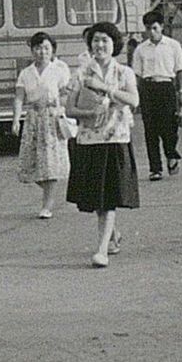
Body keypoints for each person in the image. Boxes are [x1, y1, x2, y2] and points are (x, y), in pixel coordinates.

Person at [65, 22, 140, 268]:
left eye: (105, 40)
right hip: (88, 140)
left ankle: (101, 250)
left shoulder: (124, 72)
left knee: (108, 199)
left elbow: (133, 100)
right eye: (95, 40)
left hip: (115, 139)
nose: (99, 45)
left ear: (114, 44)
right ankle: (113, 235)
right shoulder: (81, 73)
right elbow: (69, 108)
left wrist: (106, 89)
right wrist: (88, 113)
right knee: (99, 199)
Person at [11, 31, 71, 218]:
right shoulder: (26, 73)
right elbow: (19, 97)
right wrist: (15, 119)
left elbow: (67, 93)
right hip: (33, 120)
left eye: (46, 48)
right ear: (32, 50)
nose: (42, 52)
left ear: (52, 50)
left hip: (52, 119)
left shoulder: (59, 70)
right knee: (30, 165)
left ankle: (47, 205)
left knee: (50, 163)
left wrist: (57, 105)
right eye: (38, 48)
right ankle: (49, 193)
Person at [132, 10, 182, 181]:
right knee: (151, 129)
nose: (152, 32)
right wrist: (135, 96)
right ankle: (155, 168)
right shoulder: (140, 49)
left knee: (170, 126)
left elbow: (180, 71)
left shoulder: (173, 46)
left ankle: (171, 154)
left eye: (155, 28)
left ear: (162, 27)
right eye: (148, 29)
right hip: (148, 88)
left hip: (166, 87)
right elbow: (137, 75)